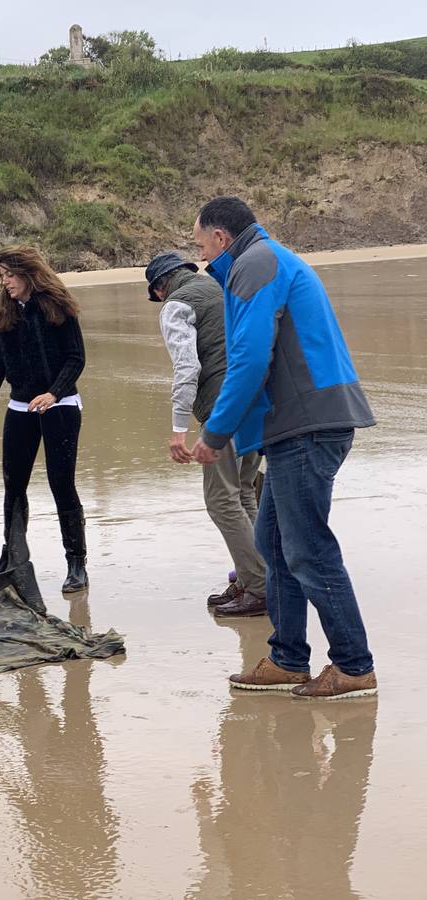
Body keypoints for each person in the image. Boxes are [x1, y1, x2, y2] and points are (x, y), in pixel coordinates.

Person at [190, 197, 378, 699]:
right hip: (298, 423)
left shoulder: (255, 263)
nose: (200, 256)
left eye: (200, 244)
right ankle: (288, 659)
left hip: (307, 424)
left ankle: (354, 667)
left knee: (307, 549)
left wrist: (215, 433)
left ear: (221, 238)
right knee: (273, 542)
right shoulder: (263, 259)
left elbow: (250, 358)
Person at [144, 251, 268, 618]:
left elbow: (187, 366)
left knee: (220, 499)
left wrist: (178, 428)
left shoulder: (176, 306)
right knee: (243, 491)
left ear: (160, 289)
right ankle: (254, 577)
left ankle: (261, 588)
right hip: (258, 400)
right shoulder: (221, 289)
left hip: (223, 407)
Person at [0, 245, 89, 593]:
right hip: (20, 407)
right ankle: (12, 556)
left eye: (10, 275)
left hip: (60, 406)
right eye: (2, 275)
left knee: (61, 483)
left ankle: (76, 563)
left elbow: (76, 358)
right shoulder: (4, 309)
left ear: (28, 273)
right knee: (14, 485)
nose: (5, 282)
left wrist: (53, 393)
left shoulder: (57, 304)